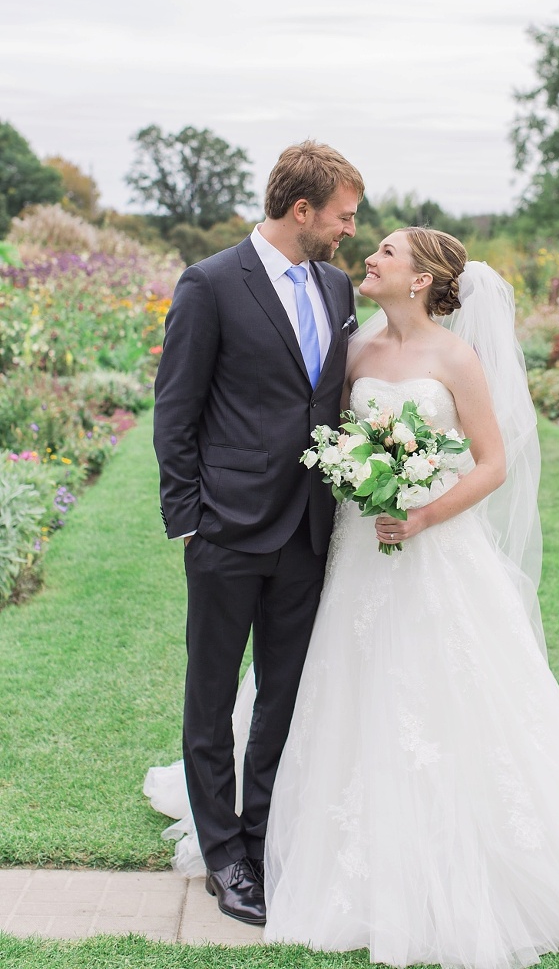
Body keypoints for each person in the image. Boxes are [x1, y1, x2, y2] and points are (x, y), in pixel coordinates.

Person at [148, 226, 559, 967]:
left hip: (431, 546)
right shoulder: (354, 347)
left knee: (444, 692)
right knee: (329, 685)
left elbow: (492, 464)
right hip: (354, 545)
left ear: (421, 279)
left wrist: (421, 511)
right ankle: (283, 835)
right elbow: (312, 423)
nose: (369, 255)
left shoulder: (456, 357)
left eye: (386, 251)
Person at [151, 140, 363, 926]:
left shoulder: (339, 286)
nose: (350, 231)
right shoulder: (209, 285)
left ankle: (264, 836)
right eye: (342, 216)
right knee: (210, 699)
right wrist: (189, 522)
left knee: (285, 697)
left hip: (311, 527)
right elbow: (175, 414)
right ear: (300, 210)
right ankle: (224, 857)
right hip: (226, 530)